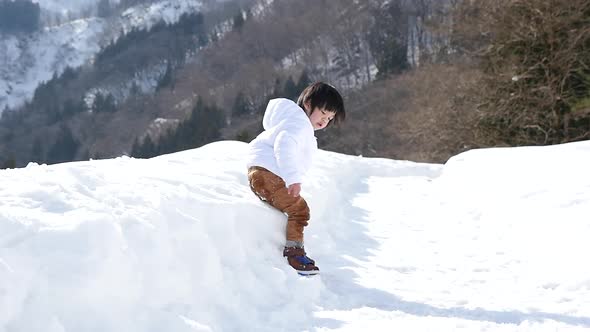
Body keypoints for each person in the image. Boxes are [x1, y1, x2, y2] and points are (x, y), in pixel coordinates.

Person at [246, 82, 345, 275]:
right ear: (308, 104)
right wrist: (293, 179)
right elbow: (284, 146)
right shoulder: (299, 124)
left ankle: (294, 250)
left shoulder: (292, 122)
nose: (325, 121)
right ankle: (294, 253)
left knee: (293, 206)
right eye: (323, 113)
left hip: (261, 174)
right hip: (269, 175)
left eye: (330, 118)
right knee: (299, 210)